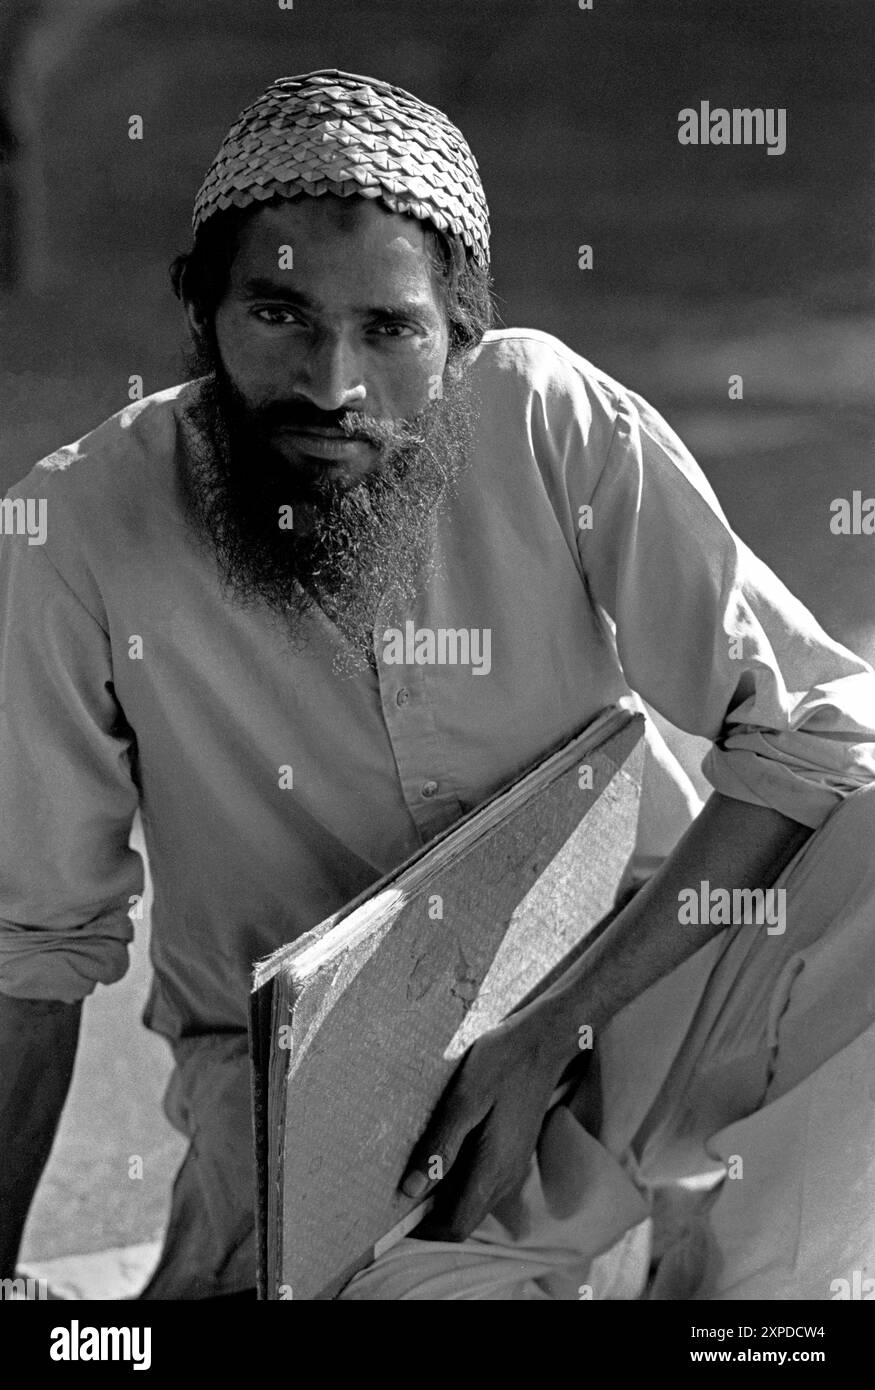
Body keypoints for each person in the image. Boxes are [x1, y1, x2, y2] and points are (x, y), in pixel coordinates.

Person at [1, 70, 873, 1302]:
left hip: (626, 996)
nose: (332, 384)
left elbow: (814, 729)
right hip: (343, 1134)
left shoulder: (546, 414)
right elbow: (34, 949)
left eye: (389, 330)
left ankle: (739, 1287)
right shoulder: (71, 530)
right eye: (279, 314)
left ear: (459, 332)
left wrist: (548, 1033)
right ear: (200, 310)